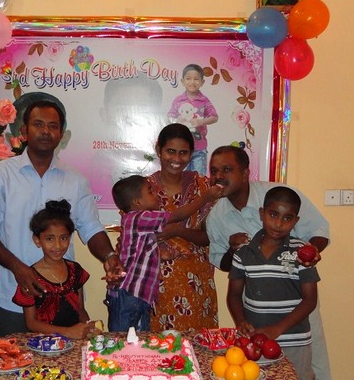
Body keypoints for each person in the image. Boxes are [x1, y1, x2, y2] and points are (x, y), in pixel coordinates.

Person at [0, 95, 123, 380]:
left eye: (53, 126)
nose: (46, 131)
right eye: (38, 124)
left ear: (62, 133)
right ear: (23, 131)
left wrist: (109, 257)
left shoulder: (74, 180)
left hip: (63, 309)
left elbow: (91, 227)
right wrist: (20, 269)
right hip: (11, 301)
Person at [206, 145, 335, 380]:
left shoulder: (278, 194)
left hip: (295, 308)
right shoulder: (217, 214)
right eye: (215, 170)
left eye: (227, 169)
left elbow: (319, 231)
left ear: (245, 172)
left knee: (312, 376)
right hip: (256, 313)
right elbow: (221, 261)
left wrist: (311, 254)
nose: (219, 176)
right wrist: (234, 250)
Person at [227, 186, 318, 380]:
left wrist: (277, 329)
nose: (279, 223)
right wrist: (240, 320)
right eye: (273, 215)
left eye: (287, 218)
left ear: (295, 221)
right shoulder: (244, 252)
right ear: (262, 213)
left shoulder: (302, 252)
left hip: (295, 341)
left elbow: (310, 300)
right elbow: (234, 295)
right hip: (256, 343)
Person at [107, 175, 222, 332]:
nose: (156, 194)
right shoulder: (140, 217)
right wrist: (205, 198)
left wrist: (163, 256)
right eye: (150, 191)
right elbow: (178, 216)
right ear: (137, 203)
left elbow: (139, 253)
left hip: (139, 295)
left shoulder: (137, 222)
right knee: (123, 336)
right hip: (130, 294)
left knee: (140, 337)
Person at [147, 123, 220, 332]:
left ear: (191, 154)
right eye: (170, 151)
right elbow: (135, 239)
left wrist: (177, 231)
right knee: (157, 348)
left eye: (183, 153)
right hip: (155, 288)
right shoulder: (143, 189)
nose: (177, 159)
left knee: (196, 347)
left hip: (196, 285)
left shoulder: (203, 187)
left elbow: (208, 237)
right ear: (158, 149)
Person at [13, 200, 100, 339]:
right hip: (45, 344)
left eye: (63, 238)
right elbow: (31, 323)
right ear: (37, 240)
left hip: (75, 343)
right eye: (50, 239)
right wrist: (66, 332)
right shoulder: (30, 277)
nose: (58, 245)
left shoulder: (75, 270)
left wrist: (88, 328)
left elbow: (80, 310)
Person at [168, 64, 218, 175]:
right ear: (182, 81)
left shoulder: (204, 101)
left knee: (198, 177)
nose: (192, 82)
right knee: (181, 176)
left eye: (196, 79)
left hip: (199, 147)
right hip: (181, 147)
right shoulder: (178, 100)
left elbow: (214, 117)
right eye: (188, 78)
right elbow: (170, 116)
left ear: (202, 82)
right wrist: (178, 121)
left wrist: (201, 121)